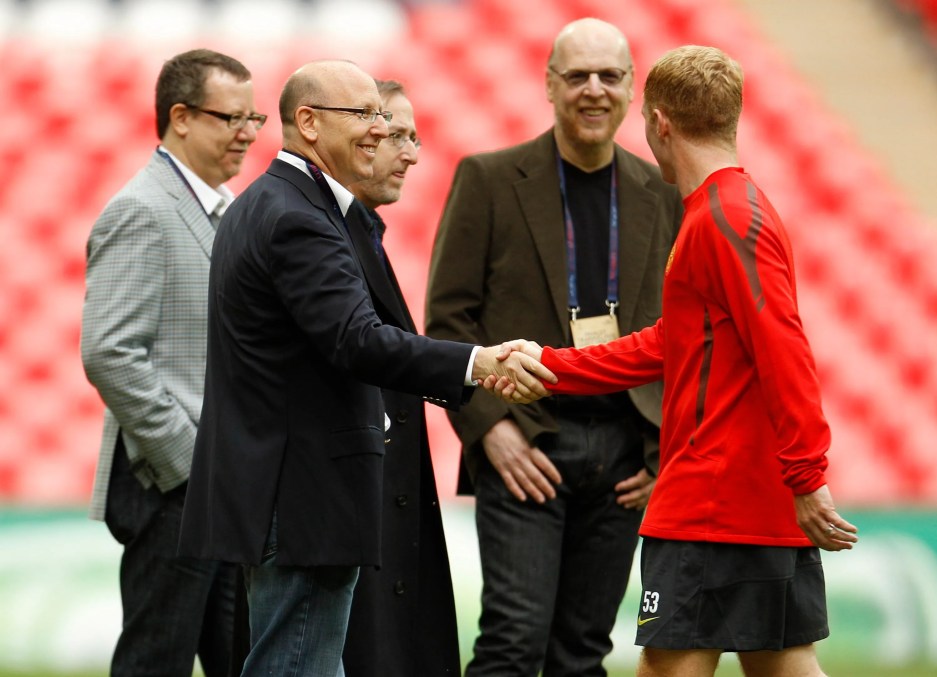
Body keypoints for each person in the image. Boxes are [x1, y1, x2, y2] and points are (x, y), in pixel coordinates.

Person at [177, 60, 554, 677]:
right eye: (364, 115)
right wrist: (478, 362)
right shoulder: (300, 216)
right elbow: (357, 340)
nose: (380, 130)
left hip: (283, 489)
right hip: (302, 495)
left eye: (381, 115)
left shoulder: (268, 203)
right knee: (296, 664)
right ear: (308, 123)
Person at [491, 45, 859, 677]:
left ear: (658, 122)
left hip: (712, 503)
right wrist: (553, 364)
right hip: (749, 498)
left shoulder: (724, 218)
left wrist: (806, 473)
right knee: (785, 666)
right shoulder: (729, 210)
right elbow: (671, 343)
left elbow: (785, 346)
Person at [425, 17, 684, 677]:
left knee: (583, 654)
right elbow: (448, 322)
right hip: (527, 444)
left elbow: (689, 338)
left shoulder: (666, 194)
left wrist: (664, 455)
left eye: (609, 76)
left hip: (628, 455)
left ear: (632, 90)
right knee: (513, 644)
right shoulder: (487, 179)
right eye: (577, 76)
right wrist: (490, 430)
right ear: (548, 85)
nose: (593, 90)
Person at [80, 49, 262, 676]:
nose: (247, 132)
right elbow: (109, 352)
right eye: (230, 118)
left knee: (237, 659)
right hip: (174, 485)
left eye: (254, 118)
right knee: (155, 660)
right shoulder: (144, 210)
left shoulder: (226, 209)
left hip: (220, 483)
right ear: (180, 117)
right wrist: (188, 461)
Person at [338, 79, 460, 677]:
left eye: (416, 136)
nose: (412, 153)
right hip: (349, 509)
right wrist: (475, 365)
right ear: (363, 138)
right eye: (400, 136)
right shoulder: (325, 233)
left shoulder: (366, 232)